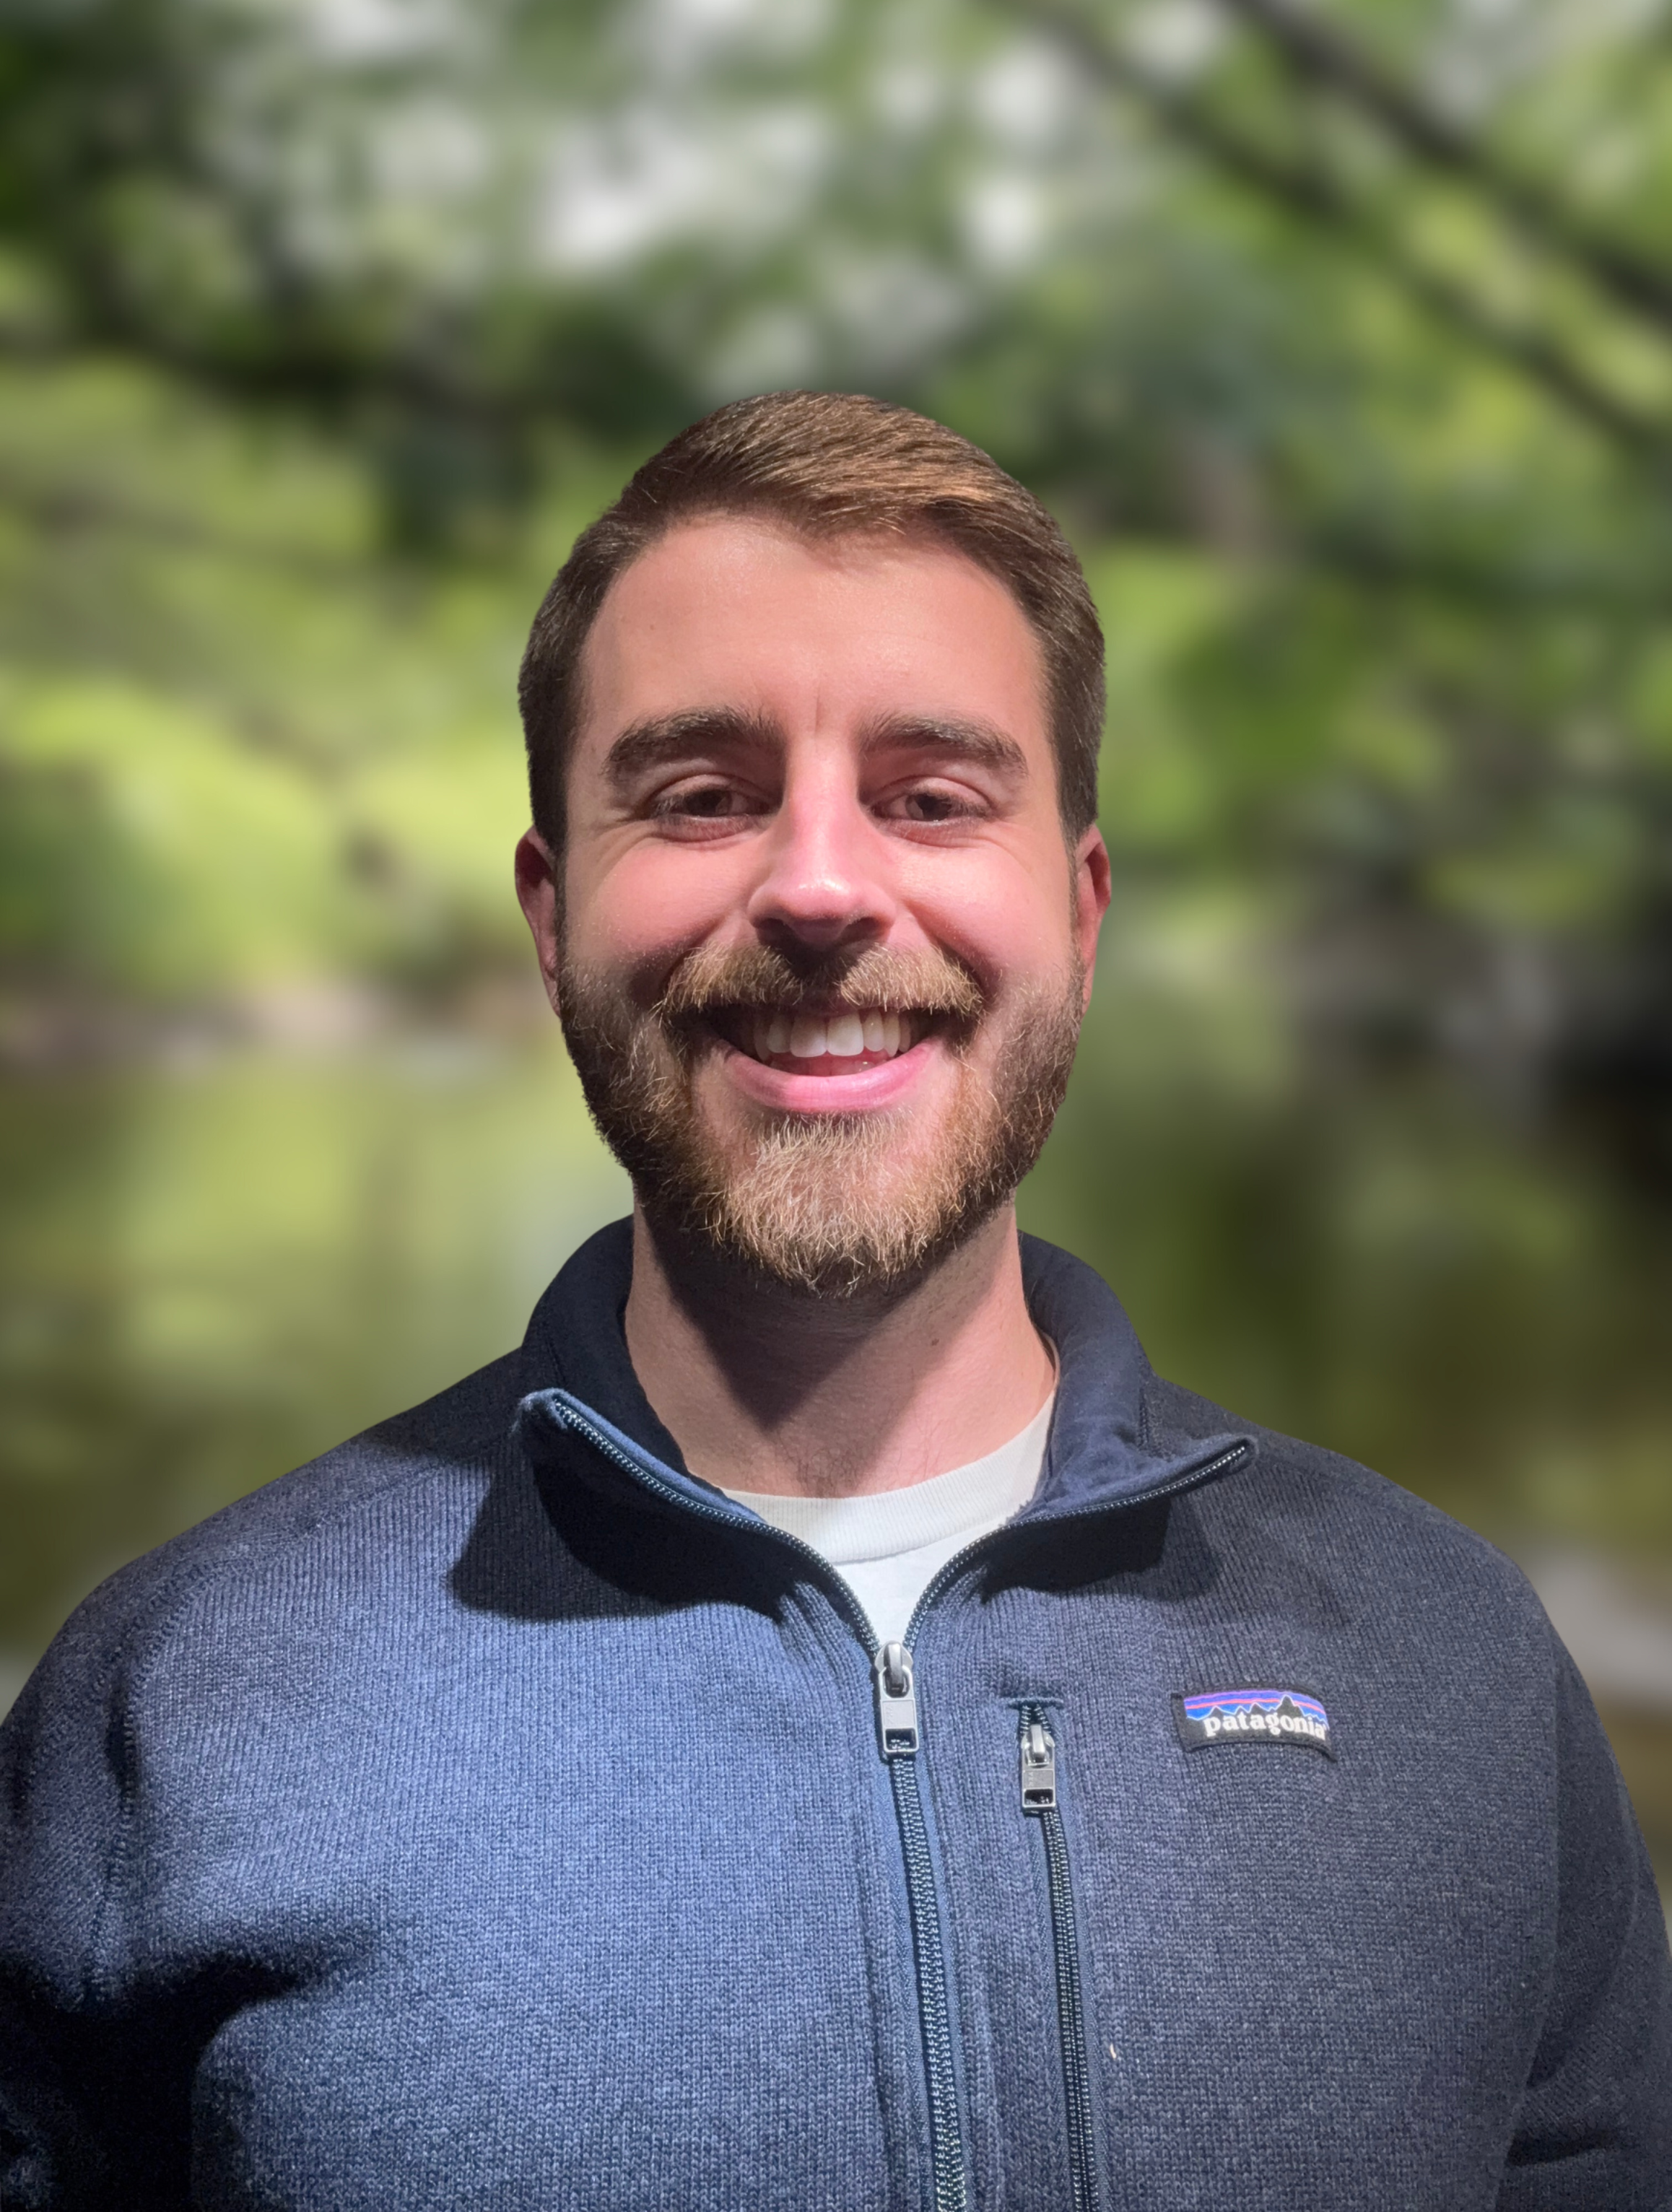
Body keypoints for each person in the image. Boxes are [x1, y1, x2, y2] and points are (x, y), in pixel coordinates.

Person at [1, 392, 1667, 2211]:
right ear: (552, 918)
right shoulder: (172, 1707)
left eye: (930, 797)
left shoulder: (1454, 1666)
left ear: (1081, 913)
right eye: (702, 796)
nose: (816, 886)